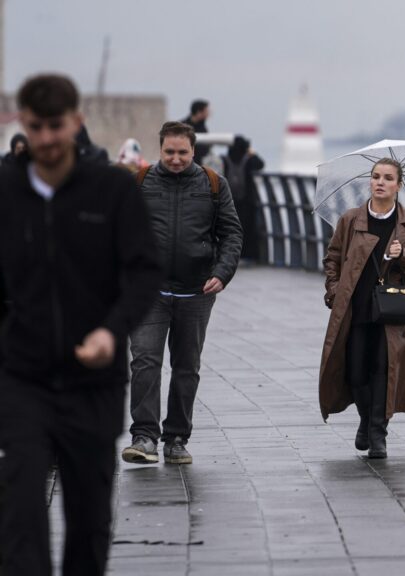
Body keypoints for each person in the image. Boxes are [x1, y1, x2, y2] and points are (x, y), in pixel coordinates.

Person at [0, 73, 161, 576]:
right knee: (19, 513)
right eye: (36, 127)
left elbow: (142, 271)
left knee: (89, 521)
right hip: (22, 378)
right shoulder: (5, 191)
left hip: (93, 384)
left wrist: (111, 331)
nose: (46, 138)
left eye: (56, 126)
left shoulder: (111, 190)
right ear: (22, 123)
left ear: (76, 122)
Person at [121, 121, 242, 466]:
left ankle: (176, 438)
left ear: (193, 151)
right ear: (160, 149)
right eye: (169, 152)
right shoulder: (140, 182)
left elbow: (232, 234)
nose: (176, 159)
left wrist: (222, 273)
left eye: (182, 153)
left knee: (186, 367)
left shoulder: (214, 185)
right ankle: (144, 437)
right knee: (145, 362)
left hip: (196, 291)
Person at [319, 158, 405, 459]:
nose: (380, 182)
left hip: (391, 311)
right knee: (356, 372)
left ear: (398, 185)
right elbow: (332, 258)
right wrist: (334, 291)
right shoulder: (351, 220)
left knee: (384, 370)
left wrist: (403, 255)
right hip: (355, 308)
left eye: (388, 178)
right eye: (376, 176)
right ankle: (366, 419)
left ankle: (378, 433)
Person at [221, 135, 266, 262]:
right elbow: (261, 164)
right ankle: (249, 255)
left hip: (229, 201)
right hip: (247, 201)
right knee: (249, 229)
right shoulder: (248, 159)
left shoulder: (225, 160)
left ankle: (230, 254)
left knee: (230, 228)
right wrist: (252, 153)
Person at [181, 99, 211, 164]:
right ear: (199, 112)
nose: (208, 114)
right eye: (206, 111)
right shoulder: (181, 127)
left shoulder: (203, 128)